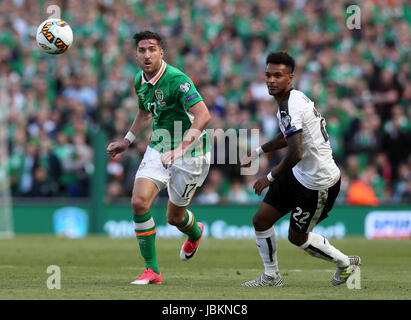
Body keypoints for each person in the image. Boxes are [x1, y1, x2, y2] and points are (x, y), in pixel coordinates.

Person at [240, 52, 360, 287]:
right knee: (261, 220)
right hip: (297, 174)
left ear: (290, 78)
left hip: (318, 183)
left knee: (297, 238)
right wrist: (258, 151)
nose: (271, 80)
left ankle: (346, 263)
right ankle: (271, 276)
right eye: (268, 75)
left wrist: (269, 177)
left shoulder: (289, 105)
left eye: (278, 75)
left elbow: (296, 152)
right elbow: (288, 137)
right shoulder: (293, 100)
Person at [107, 31, 211, 285]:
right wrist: (127, 140)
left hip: (192, 153)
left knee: (174, 218)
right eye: (142, 50)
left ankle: (195, 233)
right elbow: (144, 114)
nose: (147, 54)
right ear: (136, 54)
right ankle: (152, 271)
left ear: (161, 53)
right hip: (159, 145)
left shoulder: (177, 80)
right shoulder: (139, 81)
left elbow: (203, 115)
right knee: (139, 203)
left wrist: (181, 149)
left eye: (152, 49)